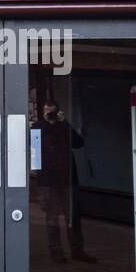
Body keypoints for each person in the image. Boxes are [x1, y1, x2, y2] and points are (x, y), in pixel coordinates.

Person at [33, 99, 95, 263]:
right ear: (43, 112)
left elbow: (79, 143)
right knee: (52, 217)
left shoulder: (63, 126)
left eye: (52, 111)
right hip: (48, 181)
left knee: (73, 217)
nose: (50, 115)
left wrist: (64, 122)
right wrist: (47, 123)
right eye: (47, 112)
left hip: (68, 179)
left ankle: (77, 250)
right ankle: (56, 253)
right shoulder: (38, 127)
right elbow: (34, 152)